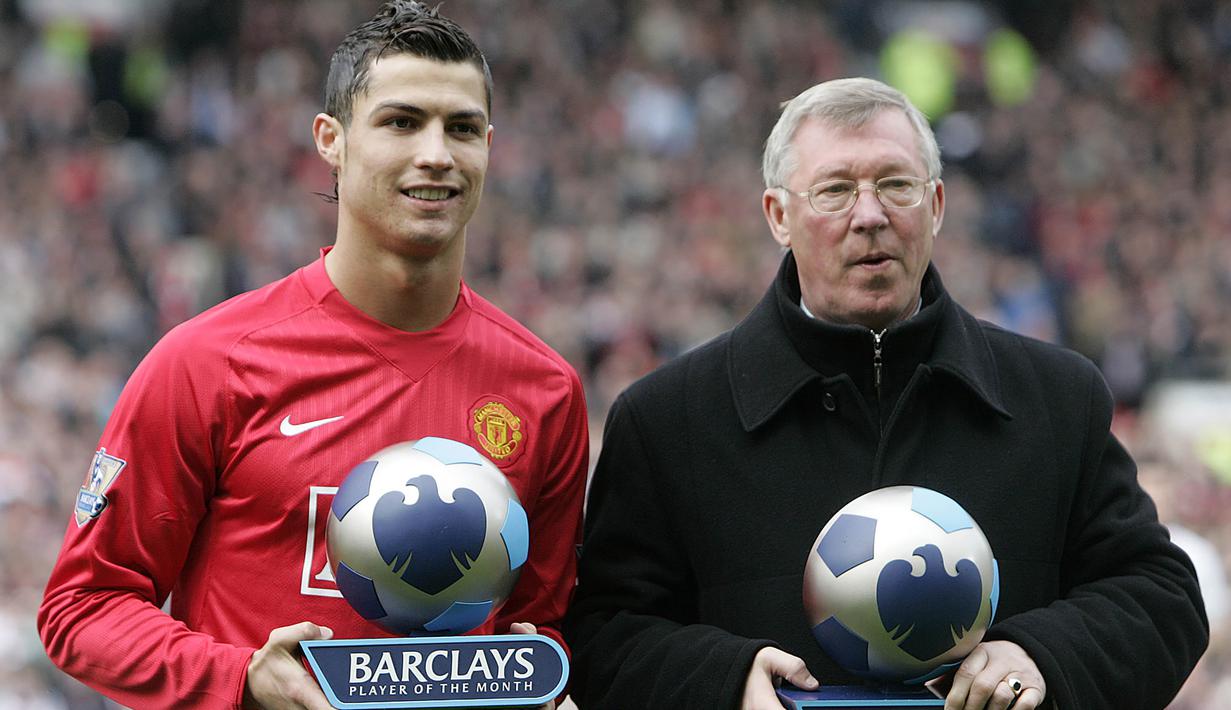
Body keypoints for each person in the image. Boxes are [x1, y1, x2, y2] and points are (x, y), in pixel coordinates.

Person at [564, 77, 1207, 710]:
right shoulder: (667, 420)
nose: (869, 216)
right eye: (835, 190)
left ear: (937, 205)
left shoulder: (1059, 399)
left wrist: (1042, 654)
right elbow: (602, 637)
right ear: (779, 216)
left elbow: (1162, 597)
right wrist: (721, 680)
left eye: (895, 185)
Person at [38, 3, 588, 708]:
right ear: (330, 139)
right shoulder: (209, 362)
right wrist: (240, 678)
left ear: (489, 145)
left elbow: (533, 633)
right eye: (400, 121)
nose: (436, 154)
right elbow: (80, 609)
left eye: (461, 128)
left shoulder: (544, 388)